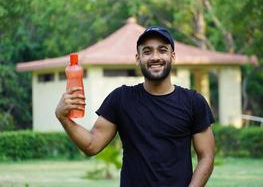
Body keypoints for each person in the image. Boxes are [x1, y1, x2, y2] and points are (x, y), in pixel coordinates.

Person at [55, 26, 215, 187]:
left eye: (162, 50)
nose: (155, 57)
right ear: (138, 58)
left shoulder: (193, 101)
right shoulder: (121, 99)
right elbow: (91, 145)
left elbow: (207, 156)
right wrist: (63, 118)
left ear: (172, 56)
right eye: (147, 51)